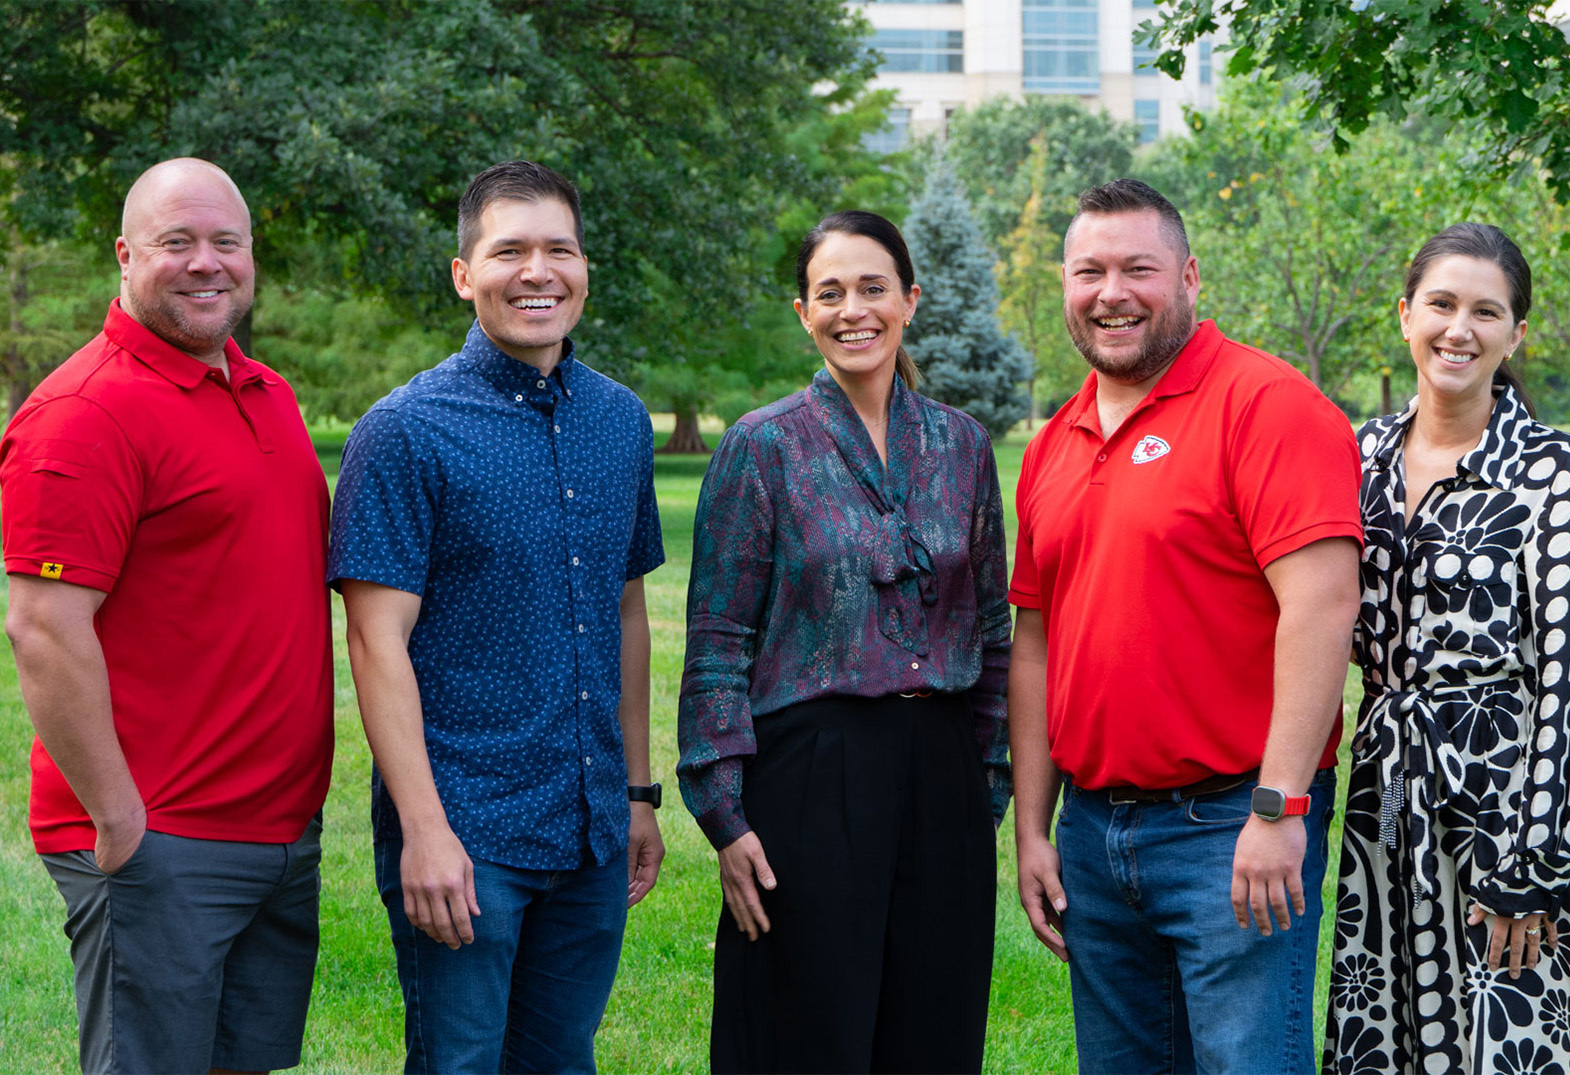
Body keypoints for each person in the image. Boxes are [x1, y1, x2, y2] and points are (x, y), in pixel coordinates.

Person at [1007, 178, 1363, 1074]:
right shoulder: (1056, 441)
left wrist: (1281, 806)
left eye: (1139, 268)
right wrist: (1034, 830)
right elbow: (1036, 644)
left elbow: (1322, 606)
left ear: (1191, 277)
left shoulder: (1267, 405)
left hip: (1233, 826)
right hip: (1093, 832)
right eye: (1089, 271)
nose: (1111, 292)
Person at [328, 160, 663, 1074]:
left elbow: (626, 611)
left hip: (591, 827)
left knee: (562, 1060)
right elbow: (374, 640)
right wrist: (426, 830)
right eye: (508, 250)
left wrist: (638, 792)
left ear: (586, 266)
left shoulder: (619, 421)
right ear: (463, 272)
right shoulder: (403, 431)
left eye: (559, 249)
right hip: (466, 834)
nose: (537, 271)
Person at [0, 158, 333, 1074]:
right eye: (175, 242)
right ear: (124, 254)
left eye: (225, 242)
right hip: (161, 836)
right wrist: (120, 822)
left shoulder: (266, 392)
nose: (205, 263)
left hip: (277, 830)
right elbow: (42, 627)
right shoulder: (83, 412)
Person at [676, 209, 1011, 1074]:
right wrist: (725, 813)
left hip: (942, 778)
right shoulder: (763, 446)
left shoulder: (964, 447)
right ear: (804, 312)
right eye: (830, 293)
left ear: (910, 301)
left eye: (872, 288)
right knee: (804, 1035)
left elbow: (992, 631)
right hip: (808, 778)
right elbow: (716, 639)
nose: (852, 309)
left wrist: (987, 787)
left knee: (931, 1033)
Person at [1322, 223, 1570, 1074]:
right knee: (1390, 1028)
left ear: (1516, 335)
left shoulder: (1561, 473)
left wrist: (1534, 862)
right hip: (1390, 796)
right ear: (1405, 315)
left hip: (1517, 796)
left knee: (1516, 1038)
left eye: (1486, 312)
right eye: (1442, 304)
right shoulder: (1358, 457)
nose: (1460, 328)